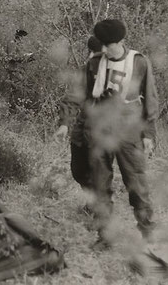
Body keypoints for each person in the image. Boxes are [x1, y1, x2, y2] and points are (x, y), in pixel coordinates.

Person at [53, 20, 159, 250]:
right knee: (100, 186)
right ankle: (106, 236)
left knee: (137, 185)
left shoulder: (139, 62)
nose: (107, 50)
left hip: (129, 133)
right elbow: (77, 94)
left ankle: (148, 234)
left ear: (121, 42)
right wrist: (64, 123)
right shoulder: (93, 63)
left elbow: (150, 98)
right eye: (104, 45)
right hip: (98, 133)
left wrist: (149, 134)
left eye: (111, 45)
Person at [54, 36, 102, 208]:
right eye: (91, 53)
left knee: (98, 173)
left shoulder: (118, 74)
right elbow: (72, 98)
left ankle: (96, 210)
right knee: (78, 171)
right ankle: (92, 201)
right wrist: (64, 124)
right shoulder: (86, 71)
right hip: (81, 131)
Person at [6, 29, 34, 111]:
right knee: (16, 89)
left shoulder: (18, 45)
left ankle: (15, 108)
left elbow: (21, 59)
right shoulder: (12, 44)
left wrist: (30, 57)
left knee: (17, 89)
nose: (22, 39)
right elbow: (12, 57)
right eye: (21, 36)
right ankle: (13, 109)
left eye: (23, 37)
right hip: (14, 70)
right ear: (18, 36)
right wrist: (25, 56)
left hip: (19, 70)